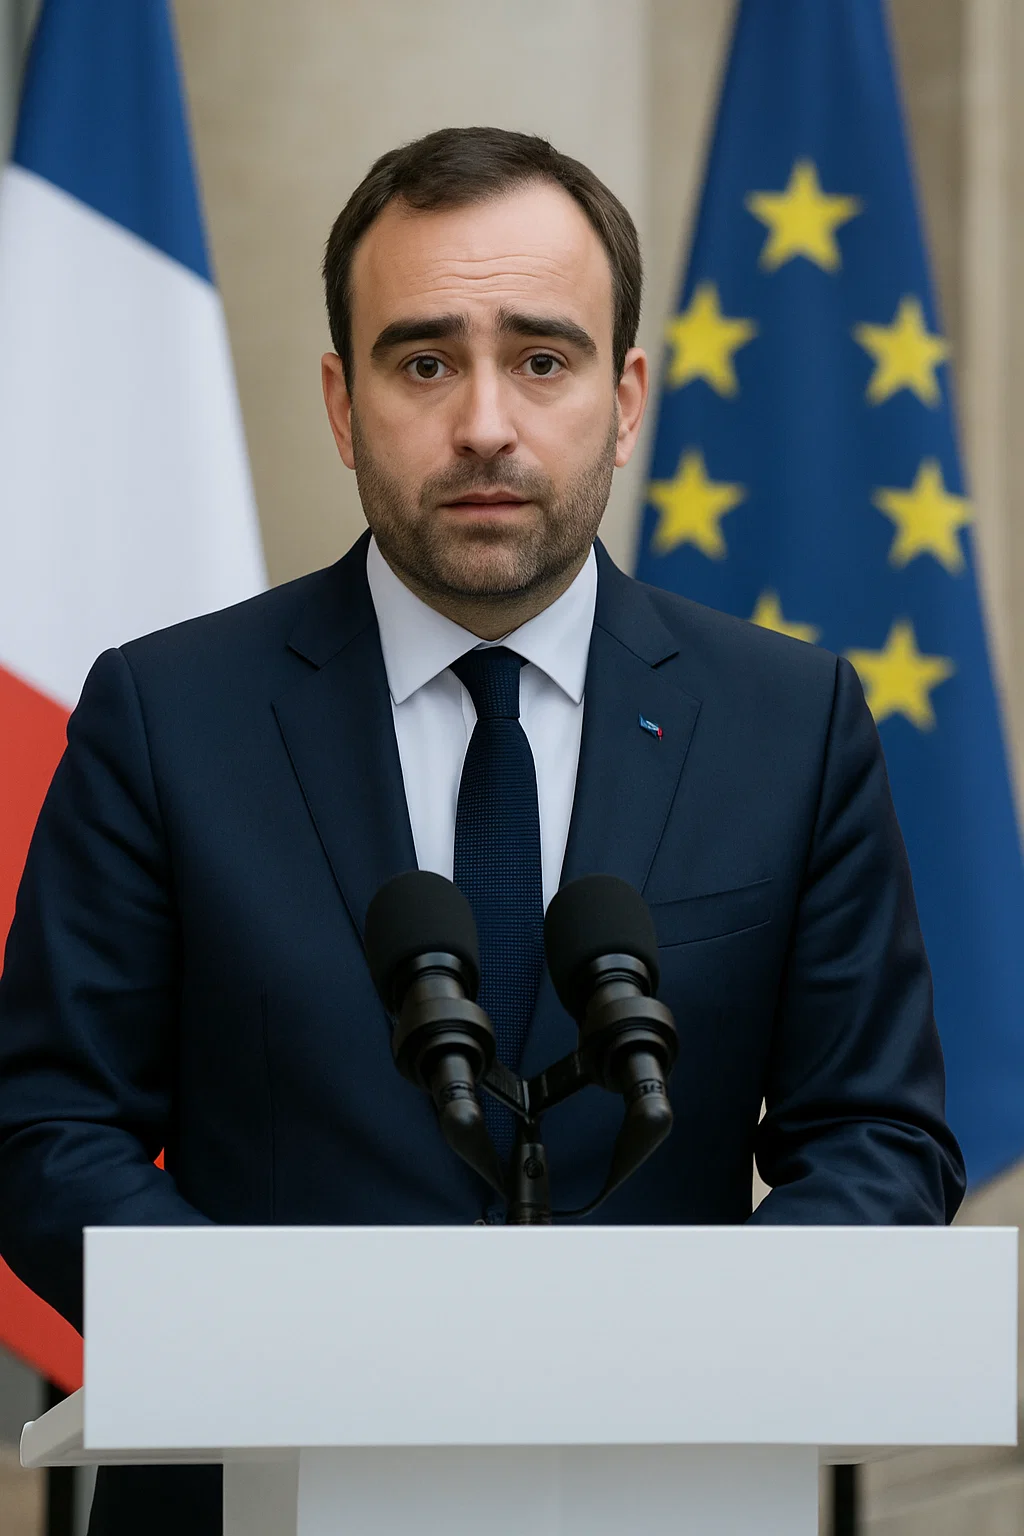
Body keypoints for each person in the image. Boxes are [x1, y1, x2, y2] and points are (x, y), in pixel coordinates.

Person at [0, 127, 965, 1536]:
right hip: (257, 1490)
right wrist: (266, 1345)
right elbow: (50, 1125)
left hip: (677, 1488)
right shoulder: (166, 714)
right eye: (425, 361)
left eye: (545, 359)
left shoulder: (791, 720)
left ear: (628, 397)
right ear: (343, 402)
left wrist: (699, 1344)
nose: (487, 426)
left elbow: (879, 1132)